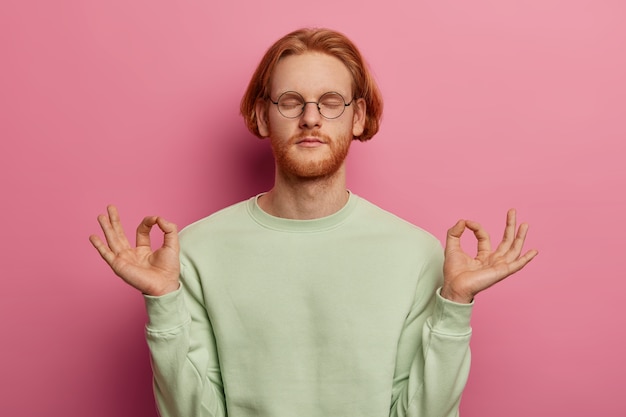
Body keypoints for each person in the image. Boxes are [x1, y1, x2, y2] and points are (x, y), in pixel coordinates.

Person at [89, 28, 537, 417]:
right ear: (263, 116)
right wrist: (163, 302)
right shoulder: (195, 251)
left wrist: (455, 303)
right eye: (290, 102)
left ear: (358, 117)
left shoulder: (417, 254)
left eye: (330, 102)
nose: (310, 118)